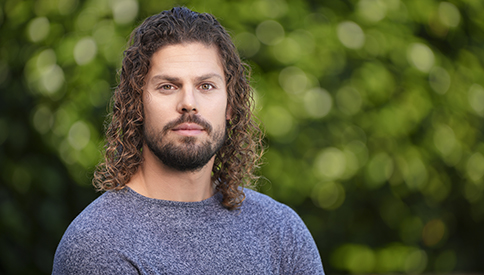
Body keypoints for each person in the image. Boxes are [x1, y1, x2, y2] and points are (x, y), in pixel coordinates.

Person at [52, 7, 324, 274]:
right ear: (137, 104)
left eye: (206, 86)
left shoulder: (282, 232)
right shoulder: (99, 243)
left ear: (231, 105)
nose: (188, 104)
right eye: (167, 86)